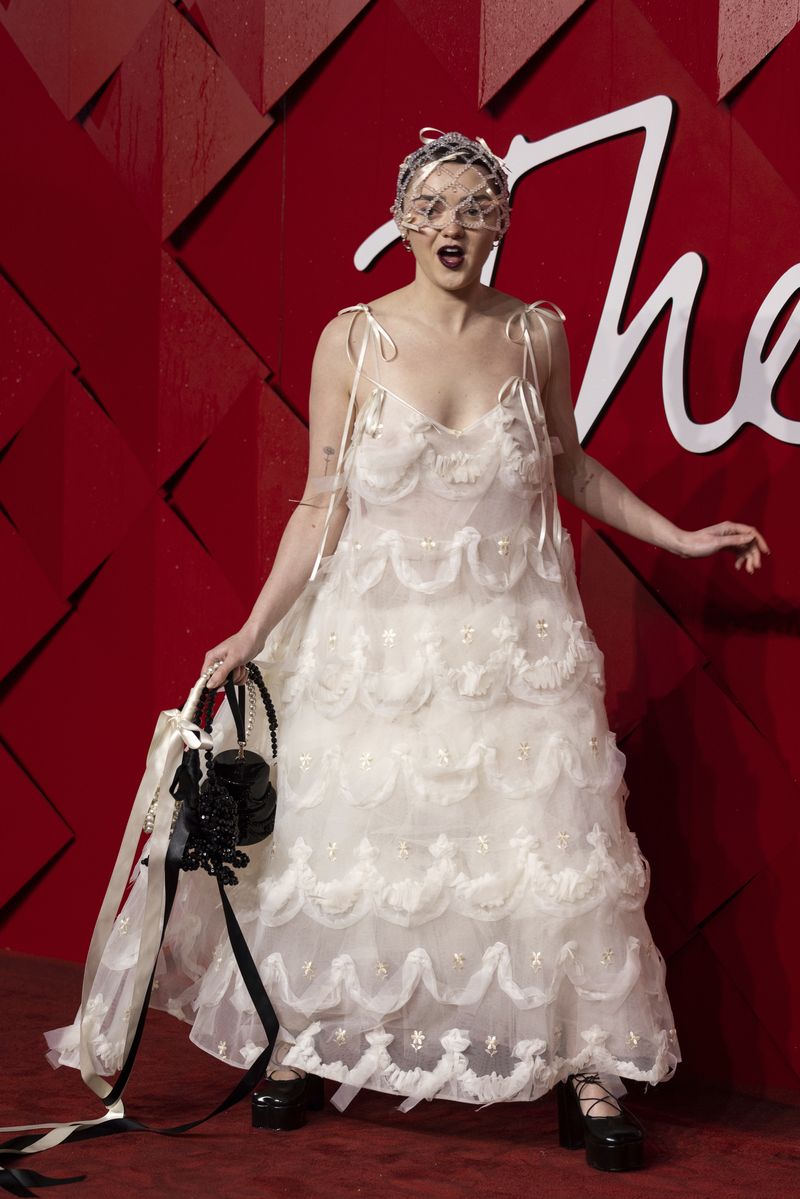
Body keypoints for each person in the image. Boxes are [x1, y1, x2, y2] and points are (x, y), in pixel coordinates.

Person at [46, 129, 768, 1173]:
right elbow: (320, 503)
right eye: (432, 206)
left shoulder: (533, 336)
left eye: (476, 207)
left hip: (514, 645)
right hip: (375, 642)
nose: (453, 226)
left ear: (502, 224)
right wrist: (251, 627)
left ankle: (586, 1063)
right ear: (400, 220)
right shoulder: (354, 340)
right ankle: (299, 1036)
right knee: (353, 845)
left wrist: (678, 535)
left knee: (542, 849)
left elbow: (568, 466)